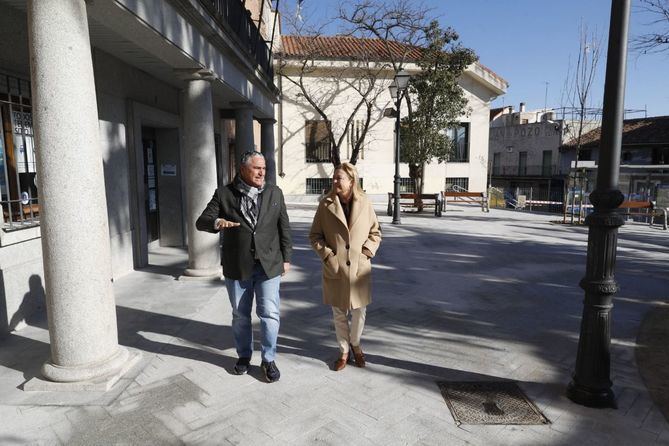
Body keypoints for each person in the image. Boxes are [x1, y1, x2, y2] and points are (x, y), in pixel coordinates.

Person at [196, 151, 292, 383]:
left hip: (268, 265)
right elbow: (202, 221)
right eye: (256, 168)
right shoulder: (224, 194)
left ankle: (268, 359)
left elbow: (284, 228)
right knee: (240, 315)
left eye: (264, 168)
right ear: (243, 169)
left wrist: (286, 258)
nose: (262, 172)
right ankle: (244, 356)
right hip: (238, 266)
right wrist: (218, 222)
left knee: (269, 314)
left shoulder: (274, 193)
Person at [309, 162, 381, 371]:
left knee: (359, 311)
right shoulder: (325, 205)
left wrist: (366, 253)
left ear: (351, 181)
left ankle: (356, 344)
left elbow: (375, 232)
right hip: (336, 268)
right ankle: (344, 351)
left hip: (359, 269)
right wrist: (328, 256)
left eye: (339, 178)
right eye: (334, 177)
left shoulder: (365, 203)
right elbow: (315, 235)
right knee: (339, 312)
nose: (334, 181)